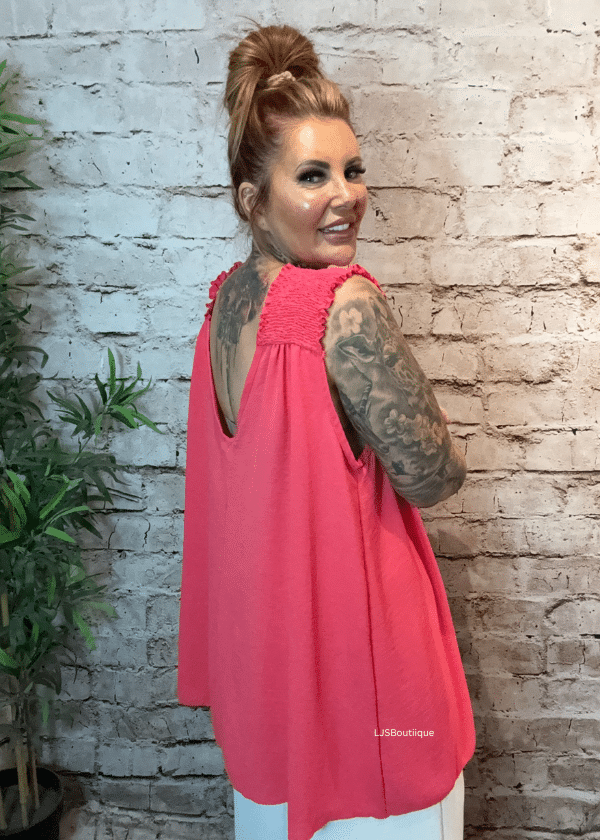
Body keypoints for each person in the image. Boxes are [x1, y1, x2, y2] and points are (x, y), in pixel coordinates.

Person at [178, 22, 475, 840]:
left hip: (268, 683)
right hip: (367, 694)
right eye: (312, 175)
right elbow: (436, 475)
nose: (346, 195)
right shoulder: (344, 307)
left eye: (352, 169)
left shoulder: (222, 306)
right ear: (254, 200)